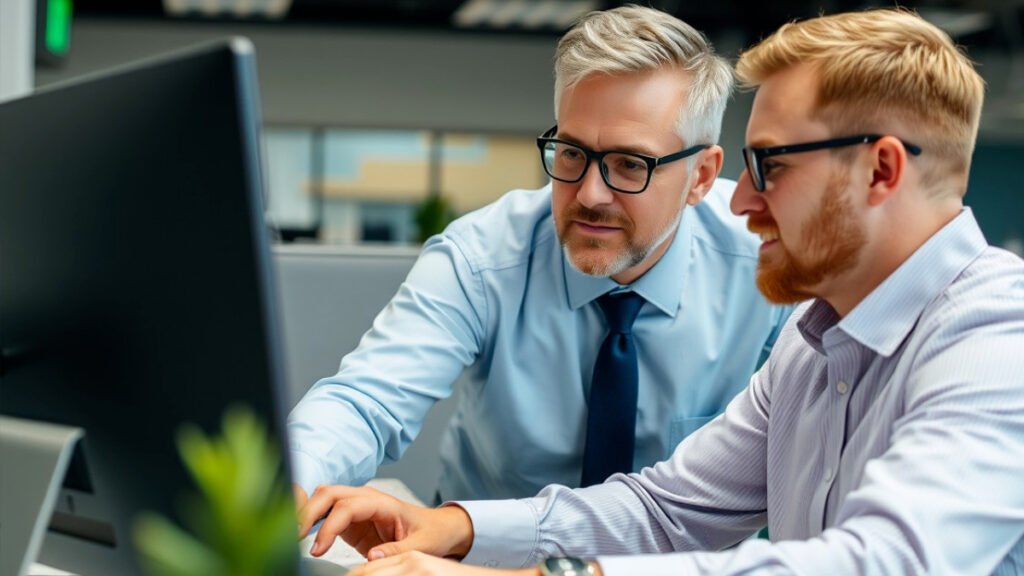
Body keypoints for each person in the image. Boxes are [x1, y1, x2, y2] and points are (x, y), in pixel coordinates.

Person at [297, 8, 1024, 576]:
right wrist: (458, 527)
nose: (744, 204)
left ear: (882, 171)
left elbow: (881, 562)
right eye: (573, 155)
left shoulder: (999, 336)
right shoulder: (817, 341)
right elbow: (667, 509)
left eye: (770, 166)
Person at [288, 4, 790, 507]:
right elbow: (367, 399)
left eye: (629, 164)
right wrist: (289, 484)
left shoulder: (768, 256)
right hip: (483, 556)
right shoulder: (483, 257)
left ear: (700, 176)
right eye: (572, 153)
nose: (591, 193)